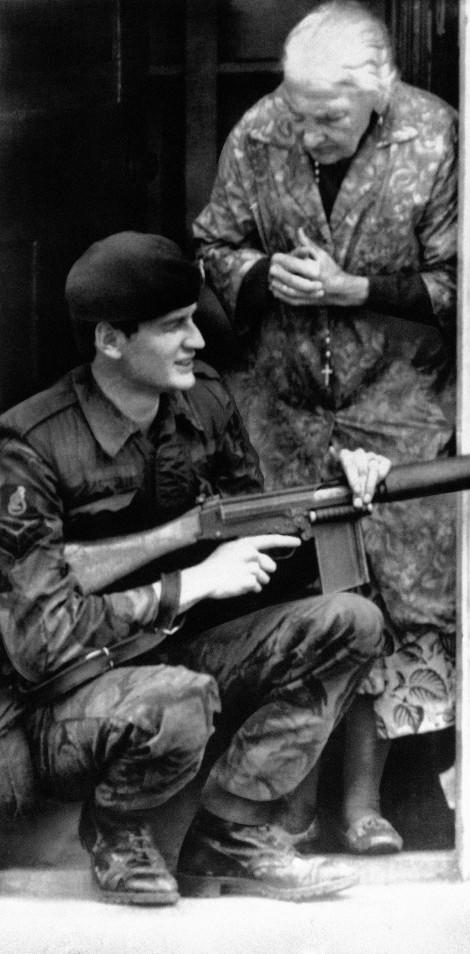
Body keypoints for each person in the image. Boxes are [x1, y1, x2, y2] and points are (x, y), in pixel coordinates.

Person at [0, 231, 390, 905]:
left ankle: (229, 832)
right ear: (111, 341)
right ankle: (119, 833)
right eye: (173, 327)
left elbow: (258, 533)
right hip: (59, 708)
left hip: (177, 662)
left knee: (350, 622)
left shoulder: (204, 405)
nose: (198, 342)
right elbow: (41, 644)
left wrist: (336, 493)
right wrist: (187, 579)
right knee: (176, 697)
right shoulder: (30, 446)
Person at [193, 0, 457, 853]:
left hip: (399, 415)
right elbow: (213, 248)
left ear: (378, 92)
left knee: (399, 607)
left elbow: (467, 283)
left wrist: (357, 292)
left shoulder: (437, 137)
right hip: (284, 416)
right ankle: (286, 807)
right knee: (305, 605)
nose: (307, 134)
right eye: (299, 114)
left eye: (329, 118)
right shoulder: (261, 130)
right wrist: (269, 275)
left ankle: (364, 806)